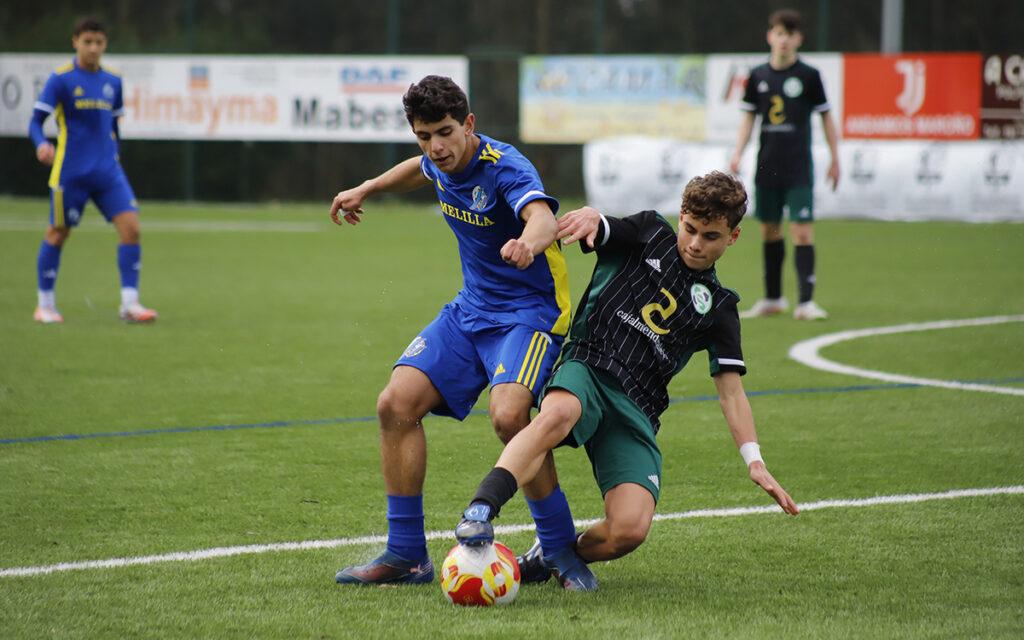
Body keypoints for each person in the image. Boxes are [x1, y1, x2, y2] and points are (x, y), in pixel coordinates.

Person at [455, 171, 799, 589]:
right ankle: (480, 511)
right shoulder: (650, 231)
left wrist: (755, 461)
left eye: (710, 236)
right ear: (680, 217)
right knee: (557, 413)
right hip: (589, 362)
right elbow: (603, 227)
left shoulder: (721, 307)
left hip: (639, 405)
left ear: (733, 237)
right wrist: (589, 219)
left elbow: (731, 392)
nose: (694, 243)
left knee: (630, 529)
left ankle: (554, 553)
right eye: (689, 229)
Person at [329, 75, 593, 589]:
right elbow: (421, 170)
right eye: (424, 135)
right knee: (394, 404)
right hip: (470, 309)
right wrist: (369, 187)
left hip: (530, 312)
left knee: (510, 415)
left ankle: (559, 548)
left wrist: (531, 243)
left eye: (445, 132)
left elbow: (541, 217)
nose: (436, 147)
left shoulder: (506, 168)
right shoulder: (437, 157)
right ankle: (407, 556)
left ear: (469, 125)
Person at [29, 17, 157, 324]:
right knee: (58, 233)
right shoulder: (60, 79)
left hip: (108, 172)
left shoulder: (113, 80)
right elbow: (36, 122)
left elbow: (114, 126)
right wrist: (40, 144)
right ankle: (44, 305)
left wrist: (116, 156)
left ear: (105, 45)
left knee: (132, 229)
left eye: (99, 43)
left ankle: (130, 303)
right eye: (87, 42)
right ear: (75, 42)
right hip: (71, 171)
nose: (93, 48)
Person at [729, 8, 840, 321]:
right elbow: (748, 118)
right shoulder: (758, 76)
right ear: (770, 36)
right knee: (770, 231)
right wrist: (738, 153)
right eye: (779, 33)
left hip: (798, 167)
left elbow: (827, 117)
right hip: (767, 165)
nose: (784, 40)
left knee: (801, 232)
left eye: (790, 35)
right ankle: (773, 298)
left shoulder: (809, 76)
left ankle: (806, 302)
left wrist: (836, 158)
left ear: (798, 39)